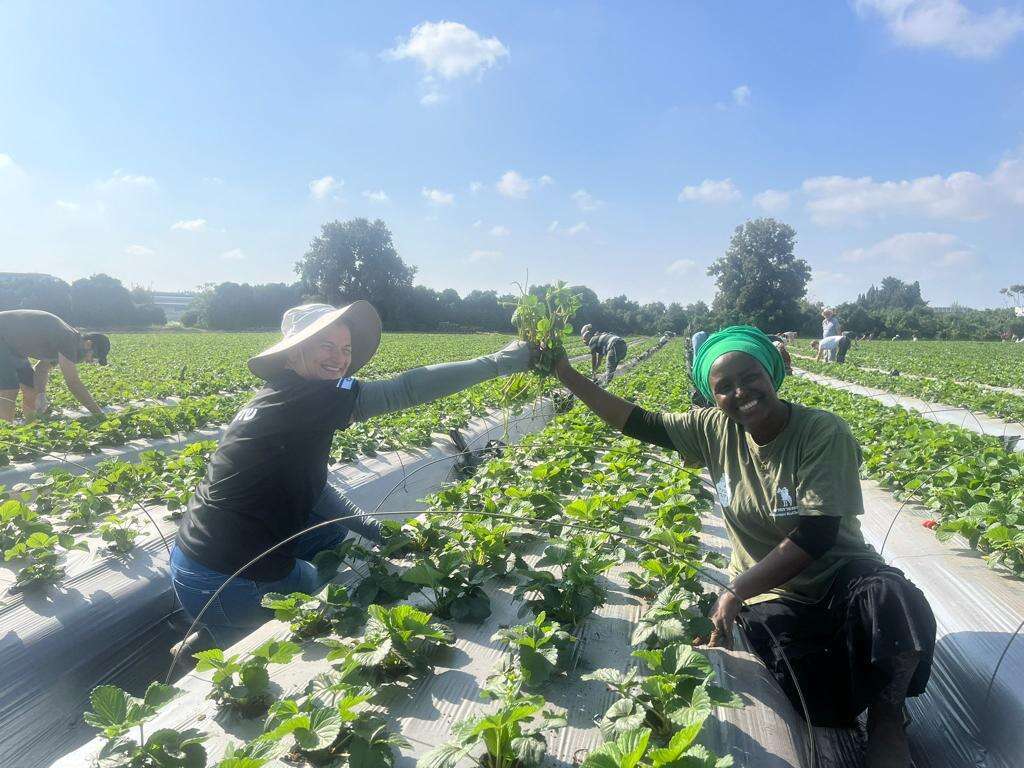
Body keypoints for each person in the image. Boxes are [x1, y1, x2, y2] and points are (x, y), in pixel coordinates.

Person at [548, 325, 935, 768]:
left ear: (772, 373)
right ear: (712, 395)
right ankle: (854, 680)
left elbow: (817, 535)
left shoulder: (820, 431)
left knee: (892, 598)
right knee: (805, 683)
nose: (740, 392)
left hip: (840, 574)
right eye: (724, 386)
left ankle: (888, 713)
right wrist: (565, 373)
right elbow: (639, 422)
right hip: (776, 593)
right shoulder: (713, 429)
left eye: (750, 377)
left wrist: (735, 590)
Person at [171, 301, 533, 642]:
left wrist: (376, 530)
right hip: (226, 577)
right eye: (326, 346)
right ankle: (226, 632)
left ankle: (216, 627)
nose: (340, 358)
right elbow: (404, 390)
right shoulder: (310, 397)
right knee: (321, 591)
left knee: (329, 536)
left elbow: (314, 489)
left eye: (345, 349)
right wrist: (499, 362)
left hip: (195, 557)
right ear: (293, 353)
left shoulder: (282, 392)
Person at [0, 309, 110, 422]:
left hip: (14, 348)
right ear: (88, 344)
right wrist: (98, 414)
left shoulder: (66, 343)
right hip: (2, 337)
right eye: (94, 357)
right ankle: (5, 430)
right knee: (9, 390)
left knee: (32, 390)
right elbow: (73, 383)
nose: (91, 361)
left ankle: (30, 426)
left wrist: (41, 394)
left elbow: (42, 369)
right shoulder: (68, 340)